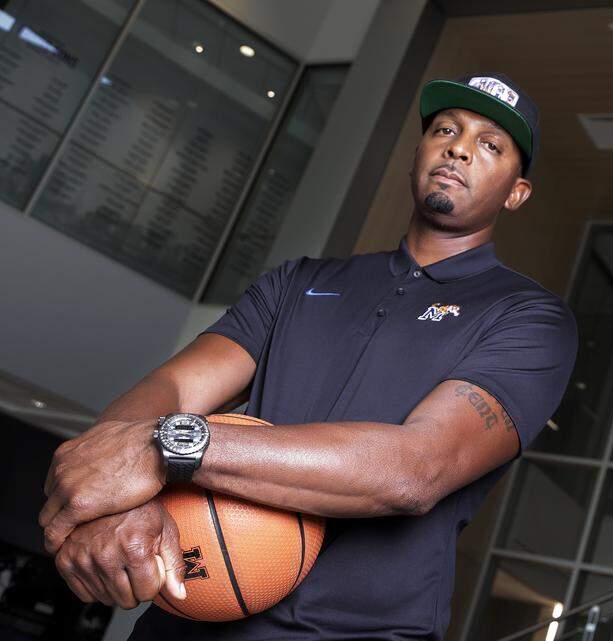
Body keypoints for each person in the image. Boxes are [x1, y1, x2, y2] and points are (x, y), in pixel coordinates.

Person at [39, 72, 578, 640]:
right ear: (419, 151)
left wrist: (166, 448)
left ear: (517, 192)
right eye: (445, 129)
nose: (458, 148)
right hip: (193, 614)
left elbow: (414, 470)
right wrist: (121, 502)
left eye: (489, 144)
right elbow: (171, 390)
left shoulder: (528, 318)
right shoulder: (299, 281)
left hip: (356, 633)